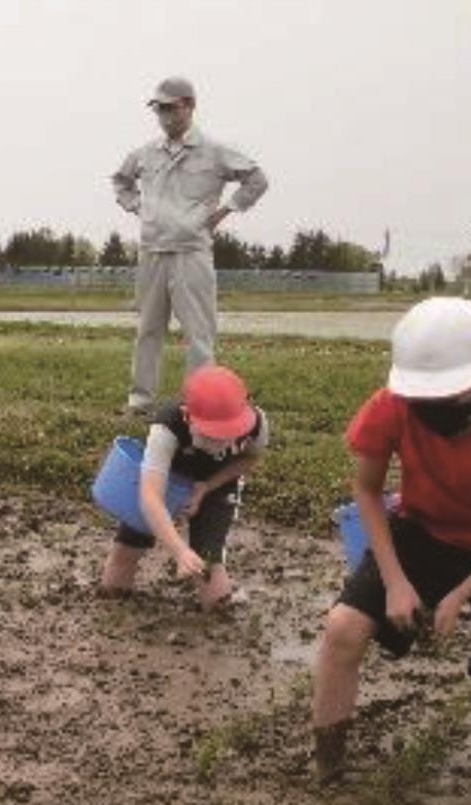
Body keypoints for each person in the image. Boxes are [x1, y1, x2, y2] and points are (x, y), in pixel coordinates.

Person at [311, 297, 471, 784]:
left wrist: (461, 594)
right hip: (425, 530)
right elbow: (366, 491)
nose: (434, 412)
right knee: (342, 627)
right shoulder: (392, 406)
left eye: (449, 399)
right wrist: (397, 581)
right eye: (424, 401)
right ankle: (328, 767)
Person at [112, 76, 269, 415]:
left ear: (189, 105)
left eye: (169, 108)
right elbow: (121, 181)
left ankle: (198, 406)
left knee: (199, 333)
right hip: (152, 252)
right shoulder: (145, 153)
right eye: (158, 109)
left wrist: (227, 210)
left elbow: (257, 179)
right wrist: (139, 207)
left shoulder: (214, 151)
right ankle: (140, 401)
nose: (163, 115)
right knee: (148, 330)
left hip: (191, 253)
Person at [99, 365, 268, 611]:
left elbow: (249, 459)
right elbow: (150, 497)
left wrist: (206, 487)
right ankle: (111, 607)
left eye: (230, 434)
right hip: (169, 475)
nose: (221, 444)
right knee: (127, 546)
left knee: (208, 559)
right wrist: (178, 550)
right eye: (211, 435)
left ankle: (217, 625)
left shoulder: (256, 425)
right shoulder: (166, 428)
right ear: (188, 417)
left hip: (216, 481)